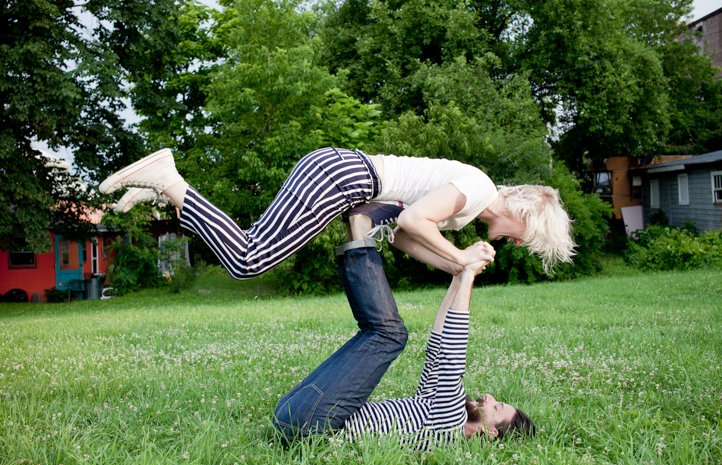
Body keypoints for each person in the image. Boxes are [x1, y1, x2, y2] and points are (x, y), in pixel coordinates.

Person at [99, 147, 575, 279]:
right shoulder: (477, 188)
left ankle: (169, 194)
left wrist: (456, 263)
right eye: (526, 238)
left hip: (340, 177)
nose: (517, 244)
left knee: (248, 255)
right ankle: (171, 181)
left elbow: (406, 240)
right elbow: (412, 223)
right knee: (249, 261)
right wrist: (460, 255)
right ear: (526, 215)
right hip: (343, 178)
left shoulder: (467, 209)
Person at [272, 235, 535, 448]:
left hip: (311, 424)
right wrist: (457, 278)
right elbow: (439, 345)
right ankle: (358, 237)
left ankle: (359, 236)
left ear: (491, 433)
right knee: (389, 334)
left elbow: (452, 357)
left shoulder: (450, 425)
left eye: (497, 407)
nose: (490, 397)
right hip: (297, 411)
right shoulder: (433, 407)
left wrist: (469, 276)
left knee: (389, 334)